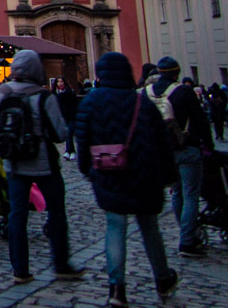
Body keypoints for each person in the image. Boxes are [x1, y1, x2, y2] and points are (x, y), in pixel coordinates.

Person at [76, 52, 179, 307]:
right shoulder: (141, 102)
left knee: (115, 228)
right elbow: (163, 142)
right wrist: (170, 175)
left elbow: (82, 138)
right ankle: (162, 277)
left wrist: (87, 169)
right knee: (150, 228)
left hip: (109, 173)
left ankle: (117, 289)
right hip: (144, 174)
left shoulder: (90, 101)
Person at [0, 50, 82, 284]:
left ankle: (20, 270)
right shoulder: (43, 96)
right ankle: (61, 264)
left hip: (13, 164)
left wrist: (2, 147)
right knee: (56, 212)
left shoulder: (1, 93)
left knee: (17, 215)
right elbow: (59, 133)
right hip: (43, 163)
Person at [144, 56, 213, 258]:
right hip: (187, 148)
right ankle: (187, 241)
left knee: (176, 193)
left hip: (163, 152)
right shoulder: (183, 91)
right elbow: (200, 119)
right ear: (176, 73)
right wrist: (208, 146)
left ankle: (186, 232)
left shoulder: (147, 93)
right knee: (191, 194)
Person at [53, 76, 79, 161]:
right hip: (62, 117)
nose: (60, 83)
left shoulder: (70, 92)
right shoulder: (55, 94)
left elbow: (75, 104)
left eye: (61, 82)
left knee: (69, 134)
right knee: (68, 135)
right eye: (58, 82)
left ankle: (69, 151)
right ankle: (71, 152)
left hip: (71, 116)